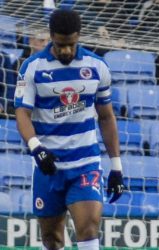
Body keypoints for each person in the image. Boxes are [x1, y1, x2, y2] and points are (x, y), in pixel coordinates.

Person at [14, 9, 124, 250]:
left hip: (85, 162)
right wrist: (36, 148)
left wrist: (116, 166)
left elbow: (106, 117)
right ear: (52, 36)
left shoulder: (97, 67)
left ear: (79, 37)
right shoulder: (32, 68)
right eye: (61, 44)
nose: (66, 50)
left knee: (88, 228)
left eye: (71, 45)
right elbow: (22, 112)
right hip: (48, 164)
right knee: (52, 239)